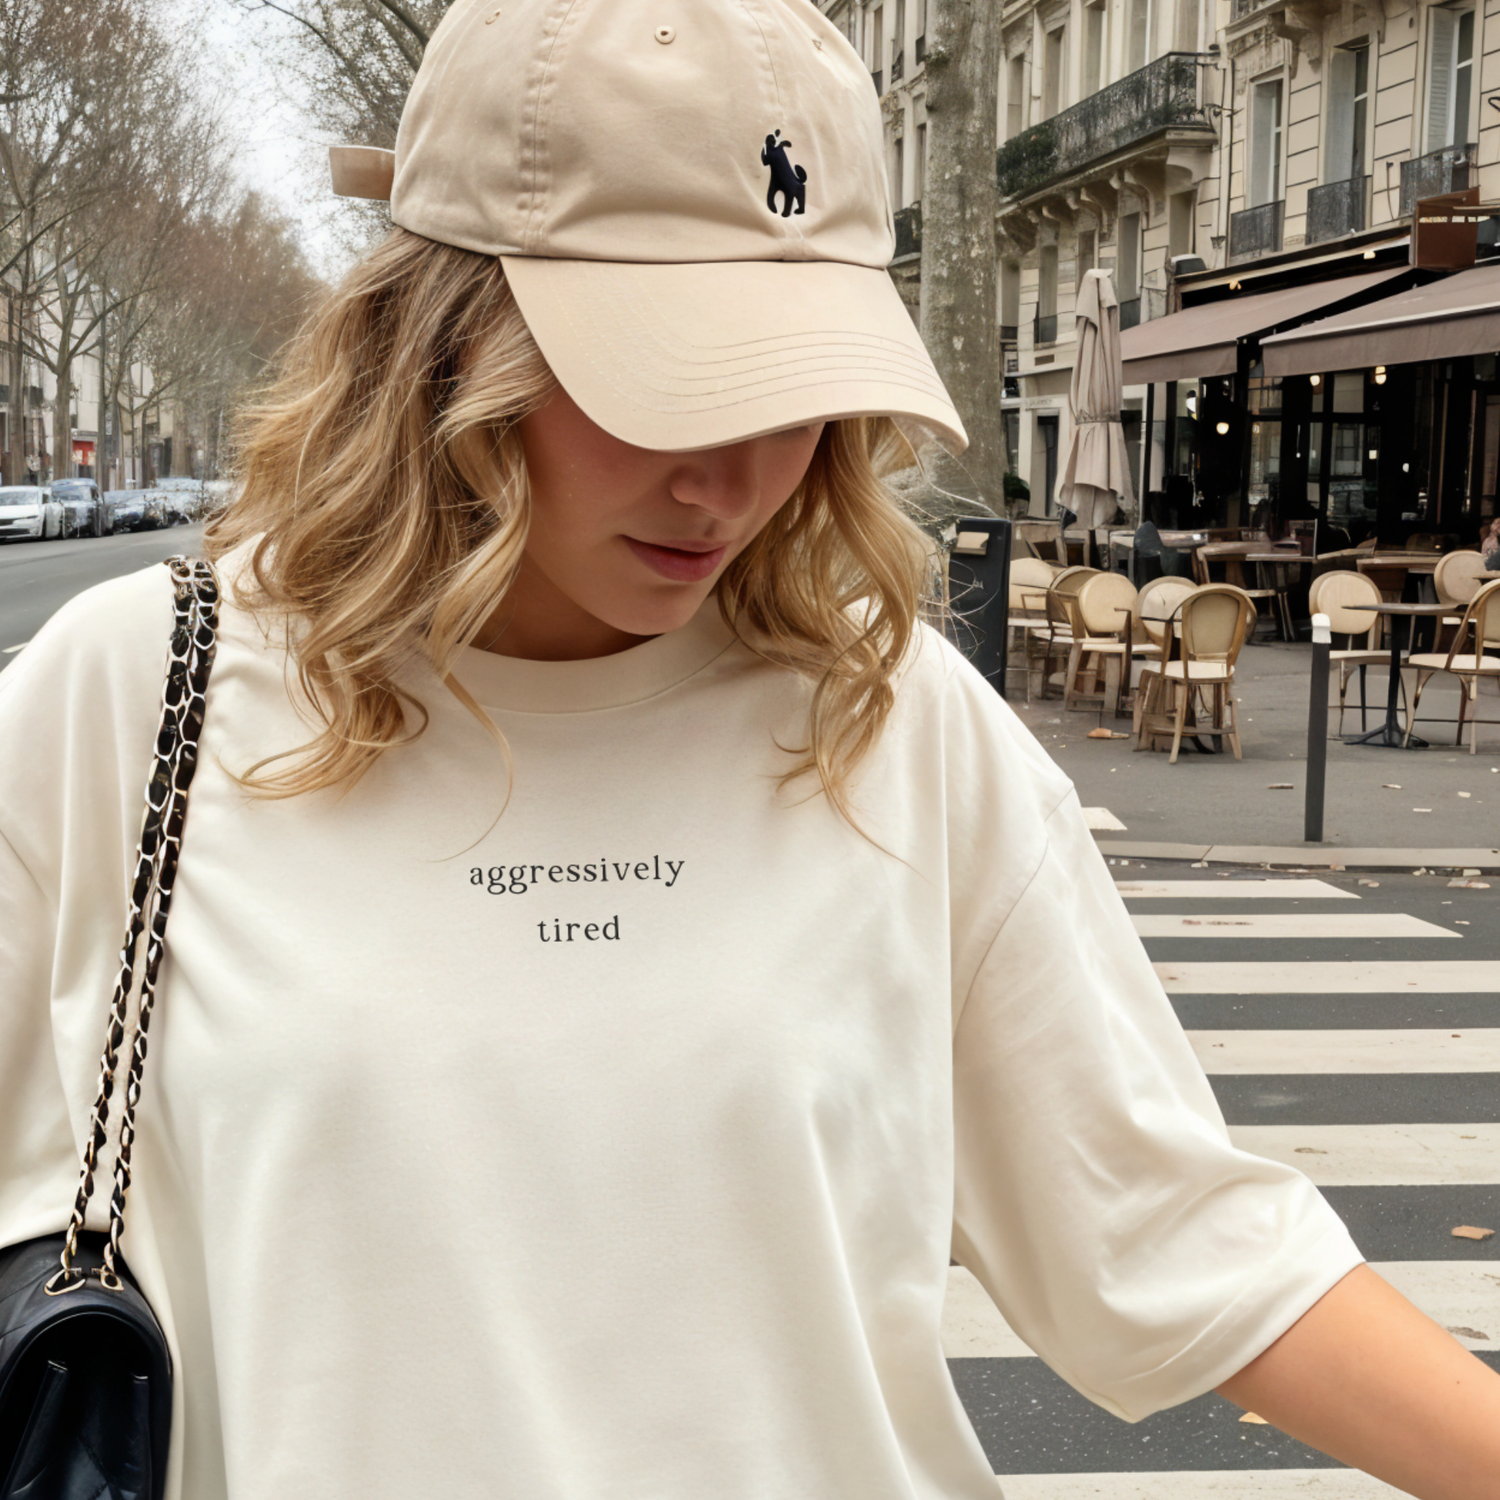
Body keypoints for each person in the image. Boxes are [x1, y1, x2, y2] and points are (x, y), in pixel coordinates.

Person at [2, 4, 1499, 1498]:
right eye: (659, 375)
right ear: (447, 340)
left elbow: (1188, 1242)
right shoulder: (139, 700)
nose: (732, 475)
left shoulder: (889, 718)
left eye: (793, 383)